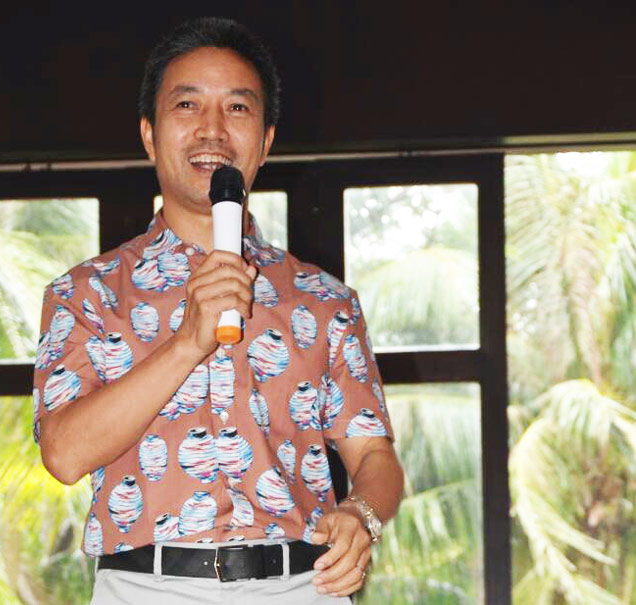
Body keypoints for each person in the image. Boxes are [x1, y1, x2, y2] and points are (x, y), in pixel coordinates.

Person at [33, 17, 403, 604]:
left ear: (266, 141)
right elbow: (64, 453)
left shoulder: (325, 301)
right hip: (145, 588)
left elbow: (375, 455)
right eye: (187, 105)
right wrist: (188, 342)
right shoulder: (87, 294)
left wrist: (362, 514)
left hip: (300, 585)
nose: (212, 129)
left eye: (237, 108)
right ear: (150, 135)